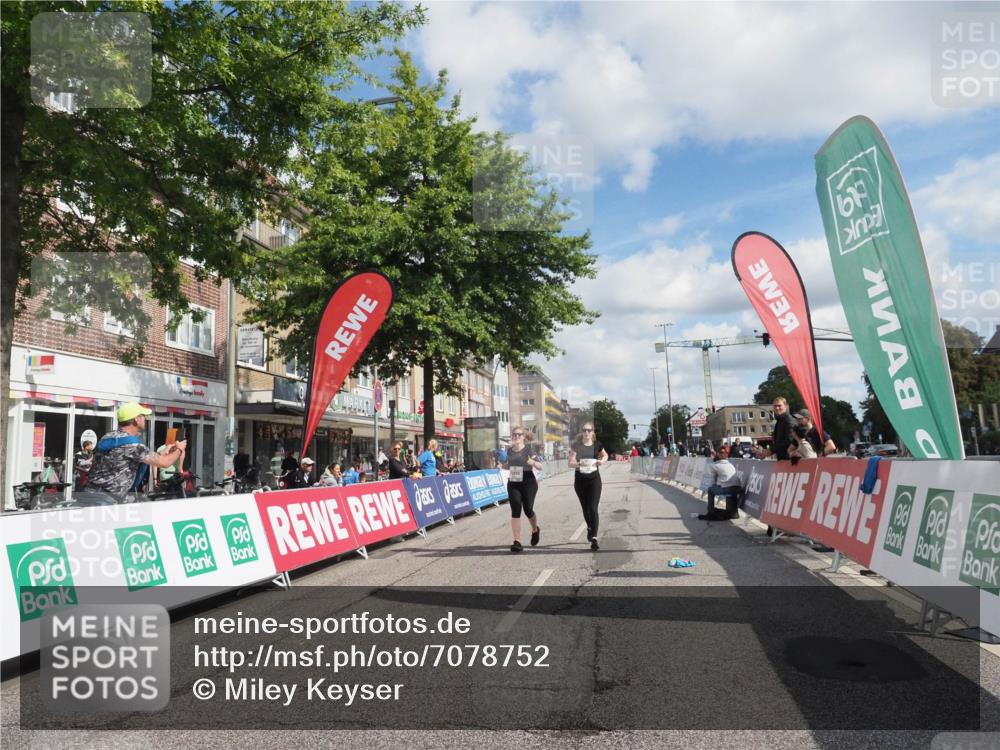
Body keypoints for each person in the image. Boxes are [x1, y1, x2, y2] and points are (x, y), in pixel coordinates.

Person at [84, 402, 187, 504]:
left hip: (92, 492)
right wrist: (179, 449)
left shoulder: (108, 437)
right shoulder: (133, 445)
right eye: (142, 416)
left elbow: (123, 459)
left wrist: (162, 453)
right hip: (107, 500)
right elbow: (165, 463)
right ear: (136, 420)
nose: (145, 419)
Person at [498, 426, 543, 553]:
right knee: (516, 508)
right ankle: (517, 541)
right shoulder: (509, 451)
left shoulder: (529, 450)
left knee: (528, 510)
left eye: (519, 434)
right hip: (514, 482)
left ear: (523, 437)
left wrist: (532, 463)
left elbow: (540, 466)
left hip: (528, 482)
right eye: (514, 434)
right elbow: (509, 465)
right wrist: (502, 466)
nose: (516, 437)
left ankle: (535, 529)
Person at [569, 422, 608, 551]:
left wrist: (601, 461)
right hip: (580, 480)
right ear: (582, 432)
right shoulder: (576, 446)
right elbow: (570, 462)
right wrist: (579, 464)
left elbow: (605, 455)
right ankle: (590, 527)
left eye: (589, 430)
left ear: (592, 432)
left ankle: (595, 539)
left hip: (594, 480)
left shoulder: (597, 445)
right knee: (585, 509)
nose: (586, 432)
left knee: (593, 508)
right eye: (584, 430)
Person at [700, 446, 742, 520]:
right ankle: (734, 512)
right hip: (737, 488)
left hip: (728, 488)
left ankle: (710, 512)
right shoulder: (730, 464)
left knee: (710, 490)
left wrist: (715, 486)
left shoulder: (715, 466)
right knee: (727, 487)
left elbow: (712, 481)